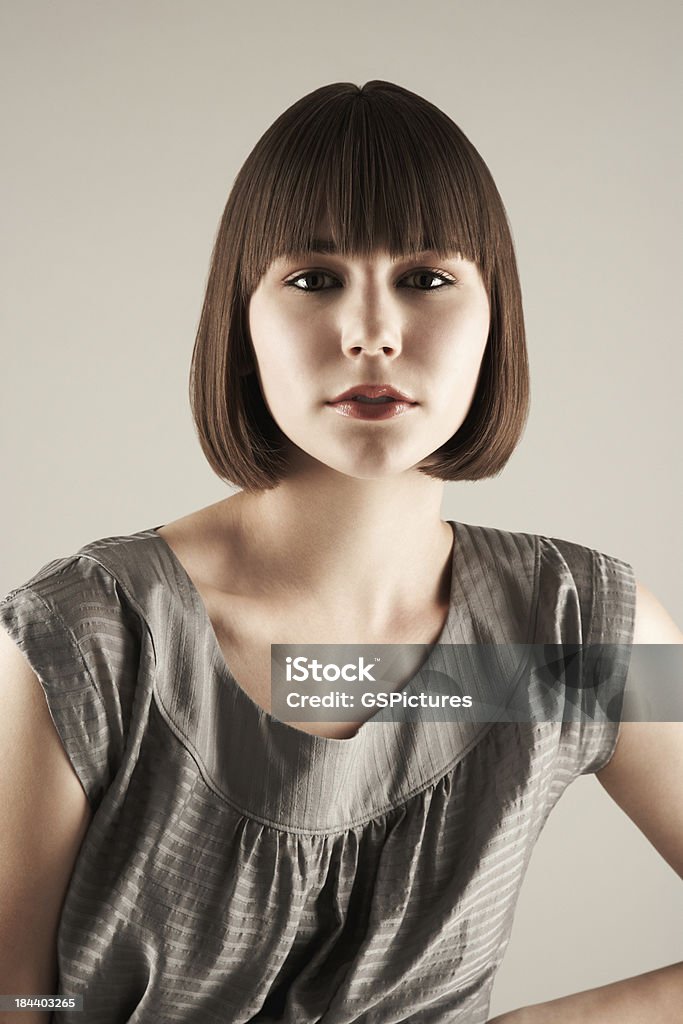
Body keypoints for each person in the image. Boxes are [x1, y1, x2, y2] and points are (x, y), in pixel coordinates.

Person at [1, 80, 681, 1024]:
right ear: (242, 322)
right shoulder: (86, 641)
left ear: (497, 319)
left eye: (426, 278)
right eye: (314, 279)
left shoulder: (575, 635)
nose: (372, 333)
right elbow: (15, 999)